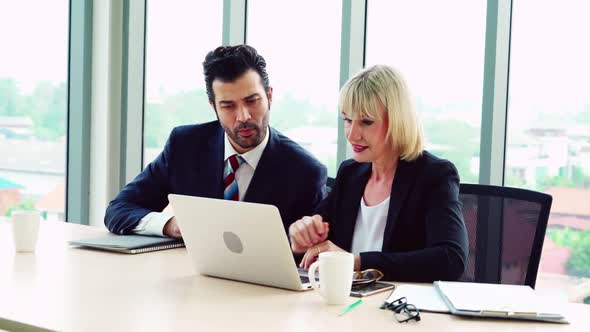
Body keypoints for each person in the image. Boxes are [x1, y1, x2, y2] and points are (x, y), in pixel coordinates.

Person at [105, 45, 327, 238]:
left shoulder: (305, 171)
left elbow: (307, 253)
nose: (243, 117)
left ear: (269, 96)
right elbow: (119, 210)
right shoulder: (184, 146)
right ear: (213, 107)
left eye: (252, 101)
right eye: (228, 106)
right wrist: (171, 225)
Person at [289, 65, 468, 282]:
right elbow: (319, 237)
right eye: (347, 120)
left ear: (397, 121)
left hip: (401, 308)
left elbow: (450, 259)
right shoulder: (350, 173)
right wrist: (300, 240)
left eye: (366, 121)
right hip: (347, 304)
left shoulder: (434, 175)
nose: (352, 134)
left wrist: (358, 263)